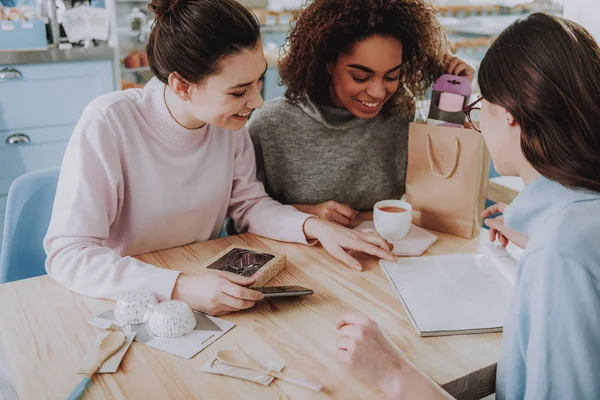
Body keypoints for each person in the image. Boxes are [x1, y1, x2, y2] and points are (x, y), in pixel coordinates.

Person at [43, 0, 394, 317]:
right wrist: (179, 287)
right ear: (182, 86)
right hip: (125, 300)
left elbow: (250, 206)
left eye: (259, 82)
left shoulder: (228, 123)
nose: (257, 102)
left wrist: (316, 227)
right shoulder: (111, 121)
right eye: (239, 91)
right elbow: (70, 254)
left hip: (204, 283)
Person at [334, 12, 600, 399]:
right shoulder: (572, 226)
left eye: (479, 106)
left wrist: (393, 375)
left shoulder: (559, 254)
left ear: (508, 114)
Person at [248, 0, 474, 227]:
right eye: (360, 76)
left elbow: (442, 193)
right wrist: (307, 214)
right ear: (327, 62)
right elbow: (243, 214)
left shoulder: (400, 114)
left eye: (391, 76)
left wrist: (452, 99)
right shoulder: (271, 124)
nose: (377, 92)